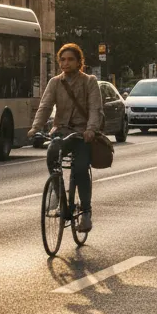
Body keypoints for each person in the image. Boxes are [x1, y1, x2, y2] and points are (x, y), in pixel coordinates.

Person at [29, 43, 102, 232]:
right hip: (61, 131)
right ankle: (58, 194)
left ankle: (86, 213)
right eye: (62, 59)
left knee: (79, 168)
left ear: (79, 62)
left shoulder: (89, 81)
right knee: (52, 153)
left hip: (82, 134)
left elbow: (95, 108)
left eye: (70, 59)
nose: (65, 63)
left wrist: (91, 129)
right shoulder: (55, 82)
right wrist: (35, 127)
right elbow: (45, 106)